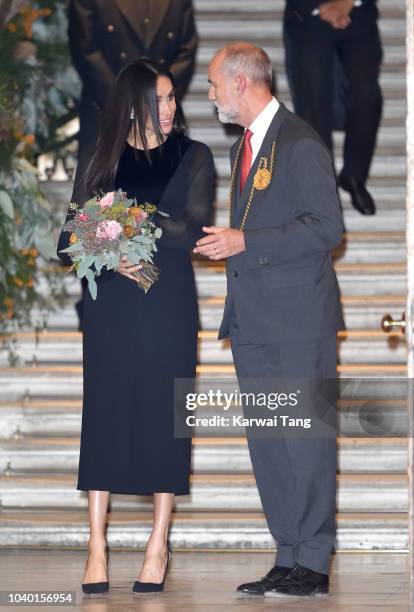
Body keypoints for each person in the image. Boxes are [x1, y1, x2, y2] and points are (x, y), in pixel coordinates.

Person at [57, 59, 214, 594]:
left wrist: (120, 218)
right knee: (105, 413)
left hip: (167, 304)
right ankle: (96, 545)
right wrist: (108, 248)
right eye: (159, 100)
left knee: (165, 416)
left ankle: (157, 543)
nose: (168, 110)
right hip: (112, 309)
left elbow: (189, 229)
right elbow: (65, 242)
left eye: (172, 99)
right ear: (133, 104)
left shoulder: (195, 155)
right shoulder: (101, 156)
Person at [194, 42, 345, 597]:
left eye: (213, 85)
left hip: (298, 321)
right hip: (254, 322)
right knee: (270, 444)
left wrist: (245, 240)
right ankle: (288, 554)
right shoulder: (243, 149)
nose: (209, 95)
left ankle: (314, 560)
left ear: (240, 82)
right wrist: (227, 243)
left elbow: (327, 228)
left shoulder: (300, 141)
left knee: (305, 441)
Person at [68, 0, 198, 327]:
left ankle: (167, 300)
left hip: (160, 124)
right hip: (105, 110)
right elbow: (84, 46)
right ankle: (97, 302)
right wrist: (127, 100)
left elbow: (186, 47)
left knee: (167, 208)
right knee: (94, 212)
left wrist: (158, 102)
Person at [283, 0, 382, 215]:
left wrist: (347, 2)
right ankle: (326, 197)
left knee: (367, 94)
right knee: (313, 107)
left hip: (358, 11)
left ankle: (354, 176)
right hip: (307, 13)